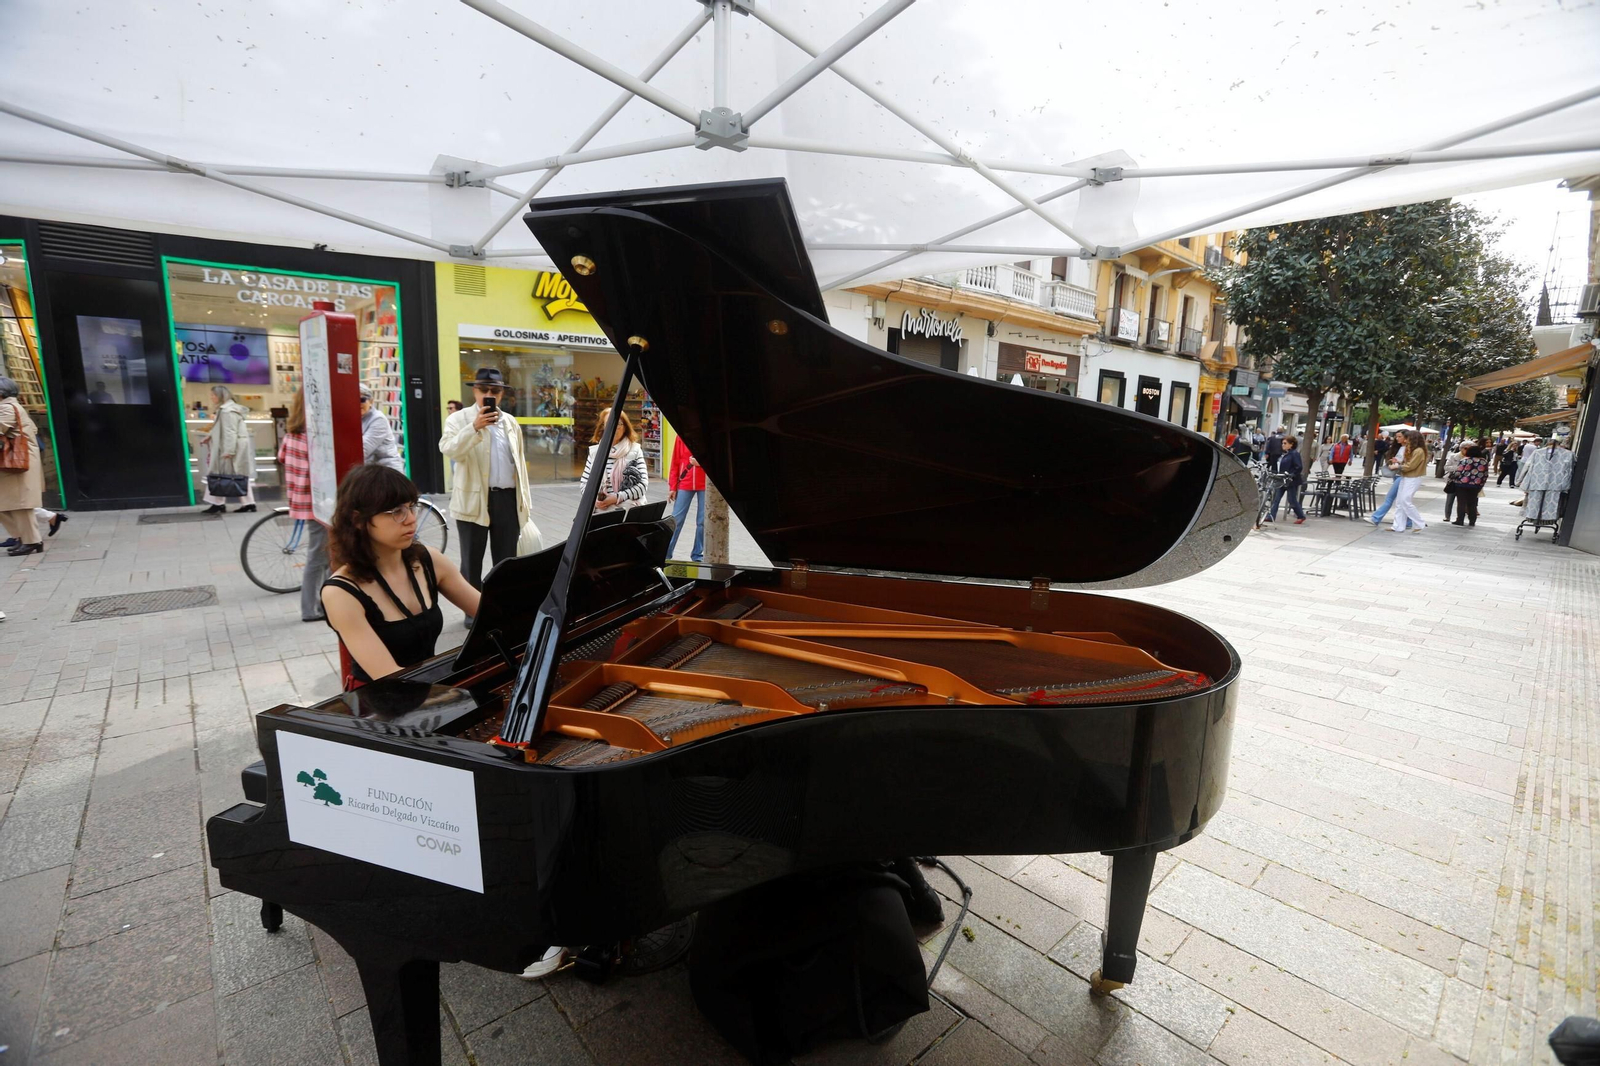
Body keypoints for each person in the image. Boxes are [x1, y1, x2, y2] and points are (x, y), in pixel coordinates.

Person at [321, 464, 479, 685]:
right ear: (358, 520)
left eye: (411, 507)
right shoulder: (340, 593)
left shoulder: (428, 560)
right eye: (396, 512)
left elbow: (492, 612)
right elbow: (389, 677)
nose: (411, 519)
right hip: (380, 704)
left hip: (432, 691)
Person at [439, 368, 533, 611]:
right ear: (474, 391)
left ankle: (502, 607)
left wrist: (525, 503)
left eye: (495, 390)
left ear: (502, 393)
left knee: (506, 560)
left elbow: (519, 464)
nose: (489, 394)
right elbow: (449, 450)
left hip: (507, 499)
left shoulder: (510, 422)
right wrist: (474, 427)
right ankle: (474, 610)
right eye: (484, 390)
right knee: (471, 560)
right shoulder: (458, 419)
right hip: (473, 500)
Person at [278, 391, 325, 623]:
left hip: (302, 502)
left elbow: (282, 458)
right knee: (318, 556)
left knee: (324, 554)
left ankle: (324, 603)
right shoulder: (315, 437)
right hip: (319, 504)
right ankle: (310, 608)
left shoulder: (291, 436)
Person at [0, 376, 45, 557]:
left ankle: (32, 541)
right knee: (9, 504)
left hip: (18, 462)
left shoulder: (6, 408)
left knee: (21, 504)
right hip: (16, 462)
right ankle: (23, 537)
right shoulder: (13, 406)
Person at [198, 385, 256, 514]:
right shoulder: (228, 409)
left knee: (219, 475)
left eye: (213, 395)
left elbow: (230, 431)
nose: (211, 397)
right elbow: (223, 429)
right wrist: (209, 437)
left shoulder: (227, 411)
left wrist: (229, 451)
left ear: (220, 396)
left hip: (229, 447)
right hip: (232, 446)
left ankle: (218, 503)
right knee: (237, 475)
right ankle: (248, 503)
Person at [579, 409, 648, 514]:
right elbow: (585, 483)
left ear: (625, 427)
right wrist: (594, 500)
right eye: (609, 423)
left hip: (626, 511)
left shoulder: (635, 450)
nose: (614, 427)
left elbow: (643, 485)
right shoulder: (595, 453)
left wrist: (617, 497)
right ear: (603, 427)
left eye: (619, 423)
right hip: (601, 512)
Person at [666, 435, 706, 562]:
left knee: (702, 522)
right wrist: (673, 486)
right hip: (685, 482)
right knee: (676, 520)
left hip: (706, 484)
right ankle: (666, 554)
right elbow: (675, 461)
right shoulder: (680, 437)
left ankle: (697, 556)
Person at [1389, 429, 1428, 533]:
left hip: (1413, 478)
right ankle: (1398, 526)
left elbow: (1411, 466)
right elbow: (1409, 464)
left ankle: (1420, 522)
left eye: (1407, 438)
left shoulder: (1418, 451)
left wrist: (1398, 466)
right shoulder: (1415, 450)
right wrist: (1399, 462)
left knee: (1405, 500)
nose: (1405, 440)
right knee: (1400, 502)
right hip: (1407, 477)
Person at [360, 383, 404, 473]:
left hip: (387, 472)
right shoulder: (356, 418)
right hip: (371, 471)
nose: (358, 403)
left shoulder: (378, 419)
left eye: (362, 400)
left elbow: (363, 450)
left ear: (371, 401)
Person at [1265, 435, 1307, 524]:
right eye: (1282, 443)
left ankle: (1301, 516)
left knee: (1292, 500)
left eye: (1285, 443)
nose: (1283, 445)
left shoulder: (1294, 454)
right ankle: (1271, 516)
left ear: (1291, 444)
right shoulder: (1285, 454)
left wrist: (1292, 475)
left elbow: (1298, 467)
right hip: (1282, 479)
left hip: (1290, 481)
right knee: (1276, 498)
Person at [1450, 444, 1488, 527]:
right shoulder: (1483, 461)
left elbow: (1458, 472)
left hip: (1462, 484)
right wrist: (1481, 484)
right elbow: (1485, 474)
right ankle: (1472, 520)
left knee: (1461, 502)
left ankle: (1460, 520)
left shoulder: (1465, 460)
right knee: (1472, 502)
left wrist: (1453, 477)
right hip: (1475, 485)